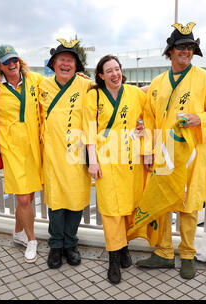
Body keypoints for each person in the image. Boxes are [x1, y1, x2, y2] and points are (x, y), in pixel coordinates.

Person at [135, 22, 206, 280]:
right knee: (162, 202)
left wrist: (201, 120)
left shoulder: (205, 79)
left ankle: (187, 253)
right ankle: (163, 252)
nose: (186, 51)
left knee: (189, 205)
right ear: (170, 51)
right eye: (181, 47)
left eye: (190, 47)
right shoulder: (157, 82)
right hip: (164, 152)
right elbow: (149, 118)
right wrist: (149, 151)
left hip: (192, 153)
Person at [0, 45, 44, 263]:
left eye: (14, 59)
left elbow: (60, 88)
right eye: (6, 61)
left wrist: (80, 76)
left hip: (35, 146)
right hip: (11, 148)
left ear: (19, 60)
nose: (11, 64)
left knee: (29, 196)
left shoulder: (36, 80)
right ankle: (31, 239)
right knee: (23, 198)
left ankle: (17, 232)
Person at [83, 55, 146, 284]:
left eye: (117, 69)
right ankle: (113, 259)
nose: (114, 74)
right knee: (111, 208)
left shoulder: (134, 93)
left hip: (130, 156)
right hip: (106, 157)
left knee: (128, 205)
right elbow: (89, 128)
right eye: (108, 70)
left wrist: (145, 139)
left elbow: (149, 112)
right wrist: (92, 160)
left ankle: (124, 247)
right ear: (100, 75)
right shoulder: (94, 95)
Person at [38, 39, 92, 269]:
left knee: (76, 202)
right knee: (56, 204)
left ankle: (71, 244)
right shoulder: (41, 86)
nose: (66, 64)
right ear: (53, 63)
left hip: (77, 155)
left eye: (70, 61)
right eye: (62, 60)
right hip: (52, 155)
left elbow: (112, 94)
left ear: (76, 66)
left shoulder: (86, 86)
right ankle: (56, 245)